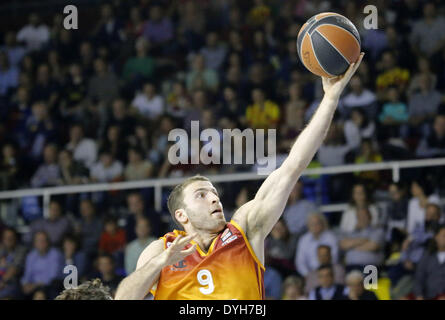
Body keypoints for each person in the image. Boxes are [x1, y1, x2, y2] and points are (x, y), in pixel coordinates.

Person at [114, 53, 364, 300]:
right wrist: (160, 263)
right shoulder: (161, 249)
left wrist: (331, 98)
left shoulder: (244, 230)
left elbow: (293, 166)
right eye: (202, 195)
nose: (215, 199)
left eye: (214, 193)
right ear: (182, 214)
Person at [340, 208, 385, 272]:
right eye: (359, 216)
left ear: (370, 217)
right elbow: (343, 245)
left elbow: (373, 246)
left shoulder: (377, 231)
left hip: (371, 267)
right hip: (351, 267)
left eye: (364, 216)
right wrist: (364, 240)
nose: (362, 218)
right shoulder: (351, 233)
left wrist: (351, 246)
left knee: (368, 280)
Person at [21, 231, 64, 298]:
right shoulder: (31, 255)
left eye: (44, 240)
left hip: (49, 286)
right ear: (34, 243)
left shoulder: (55, 254)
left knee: (40, 294)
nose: (41, 243)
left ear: (48, 242)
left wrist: (35, 285)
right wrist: (25, 284)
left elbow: (52, 276)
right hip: (32, 286)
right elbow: (27, 274)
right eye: (38, 241)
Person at [295, 213, 339, 277]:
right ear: (308, 226)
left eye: (317, 223)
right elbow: (300, 262)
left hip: (328, 272)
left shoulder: (331, 238)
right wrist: (307, 275)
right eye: (312, 224)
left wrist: (324, 273)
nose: (315, 226)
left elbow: (334, 258)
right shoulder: (303, 240)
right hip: (309, 274)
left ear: (323, 224)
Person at [414, 224, 445, 300]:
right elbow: (419, 278)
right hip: (427, 295)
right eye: (444, 236)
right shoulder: (427, 255)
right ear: (436, 237)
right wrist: (419, 295)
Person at [0, 228, 27, 299]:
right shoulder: (1, 248)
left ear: (16, 238)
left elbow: (14, 269)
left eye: (11, 237)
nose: (8, 240)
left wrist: (2, 281)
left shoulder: (21, 250)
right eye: (6, 237)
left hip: (12, 283)